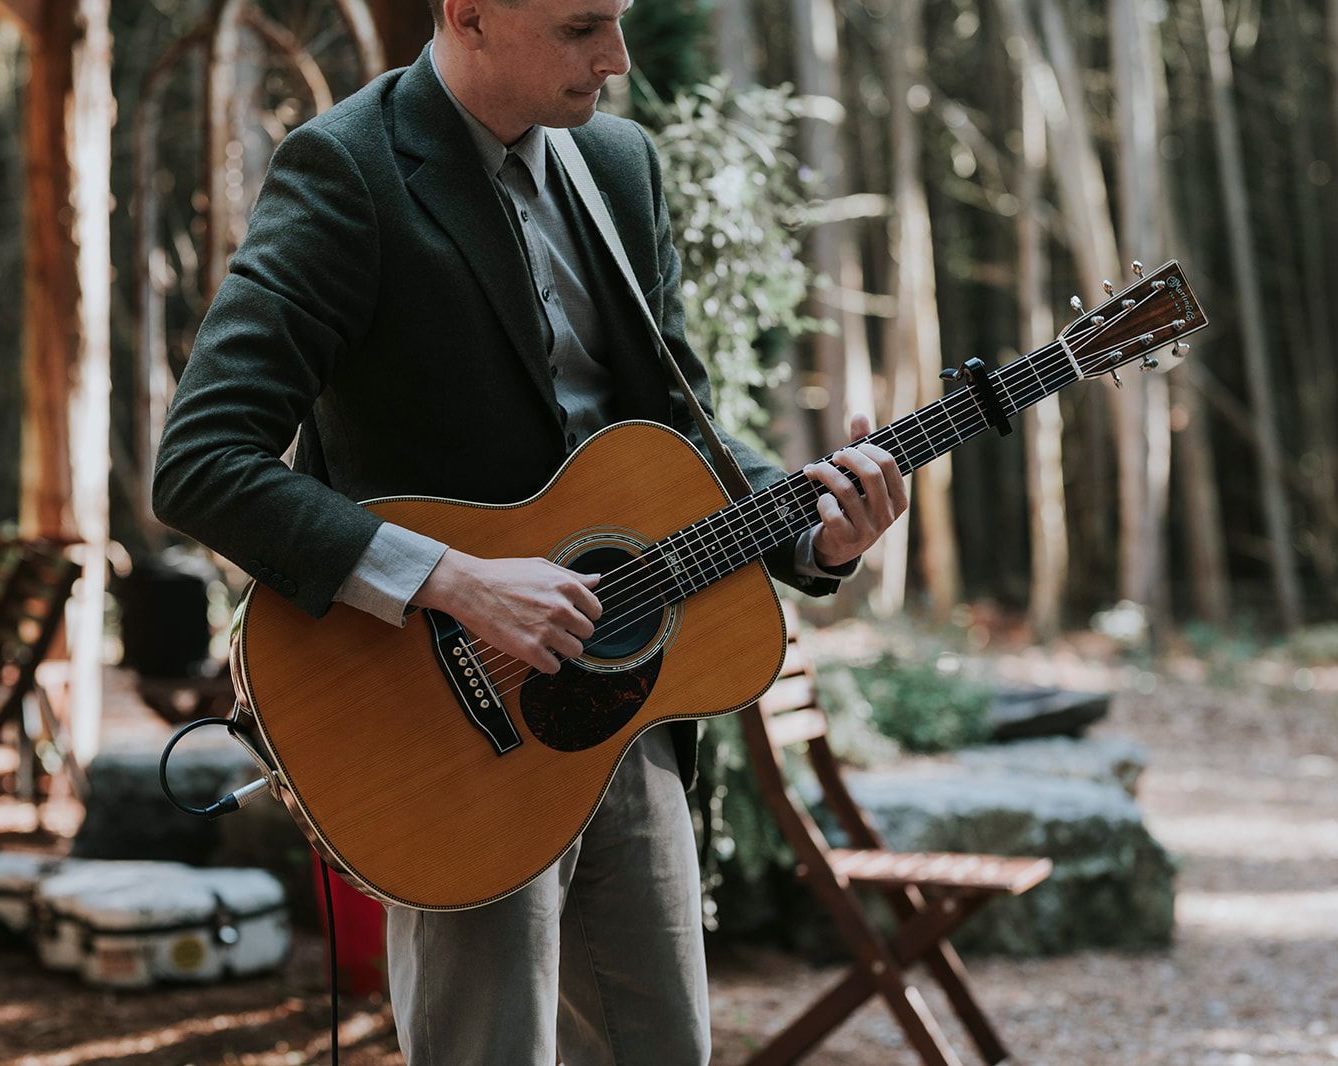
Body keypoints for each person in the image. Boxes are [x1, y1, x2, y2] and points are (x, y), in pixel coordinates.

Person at [152, 1, 908, 1061]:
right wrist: (452, 578)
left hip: (627, 711)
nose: (619, 58)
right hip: (441, 724)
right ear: (466, 14)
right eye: (581, 26)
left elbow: (681, 431)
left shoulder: (619, 163)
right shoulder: (347, 172)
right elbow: (200, 462)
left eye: (622, 19)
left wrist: (811, 534)